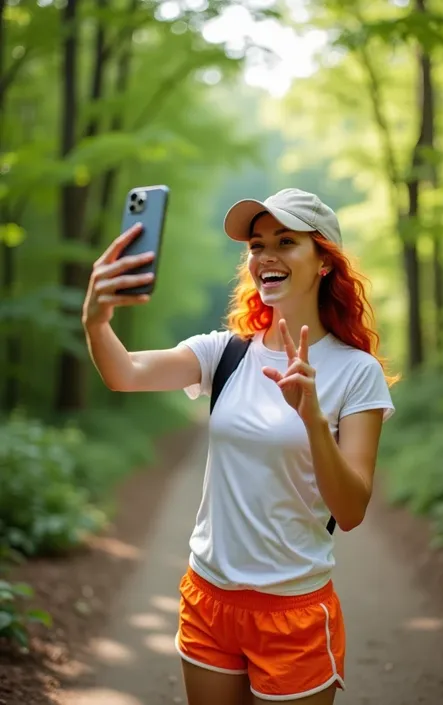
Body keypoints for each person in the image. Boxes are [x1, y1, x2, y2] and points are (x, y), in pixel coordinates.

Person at [82, 187, 395, 705]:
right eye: (256, 244)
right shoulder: (224, 353)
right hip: (209, 598)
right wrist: (95, 320)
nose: (265, 255)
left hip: (293, 609)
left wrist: (312, 418)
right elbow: (124, 373)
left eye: (286, 241)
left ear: (323, 262)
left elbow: (353, 508)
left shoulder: (356, 372)